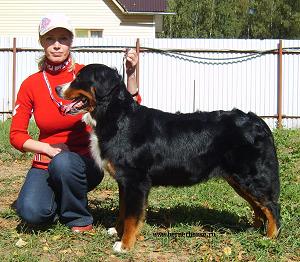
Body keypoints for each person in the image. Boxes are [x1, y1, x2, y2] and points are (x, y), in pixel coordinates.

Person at [10, 13, 140, 232]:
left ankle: (78, 218)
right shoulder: (30, 84)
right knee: (32, 212)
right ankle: (60, 198)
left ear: (71, 41)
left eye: (63, 39)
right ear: (42, 42)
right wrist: (48, 148)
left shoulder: (86, 74)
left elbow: (126, 107)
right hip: (46, 161)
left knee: (65, 163)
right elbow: (16, 135)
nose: (57, 45)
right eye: (50, 39)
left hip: (83, 164)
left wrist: (131, 73)